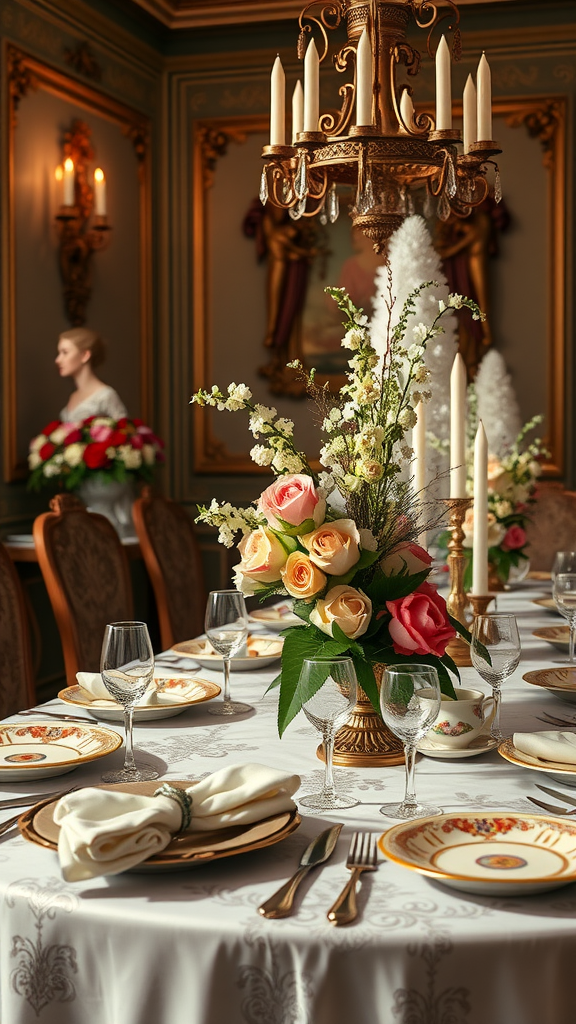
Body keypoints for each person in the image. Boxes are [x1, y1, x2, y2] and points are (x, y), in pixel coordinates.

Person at [56, 328, 127, 423]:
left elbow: (125, 430)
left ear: (85, 355)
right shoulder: (73, 396)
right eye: (59, 353)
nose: (58, 360)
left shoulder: (105, 396)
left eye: (65, 352)